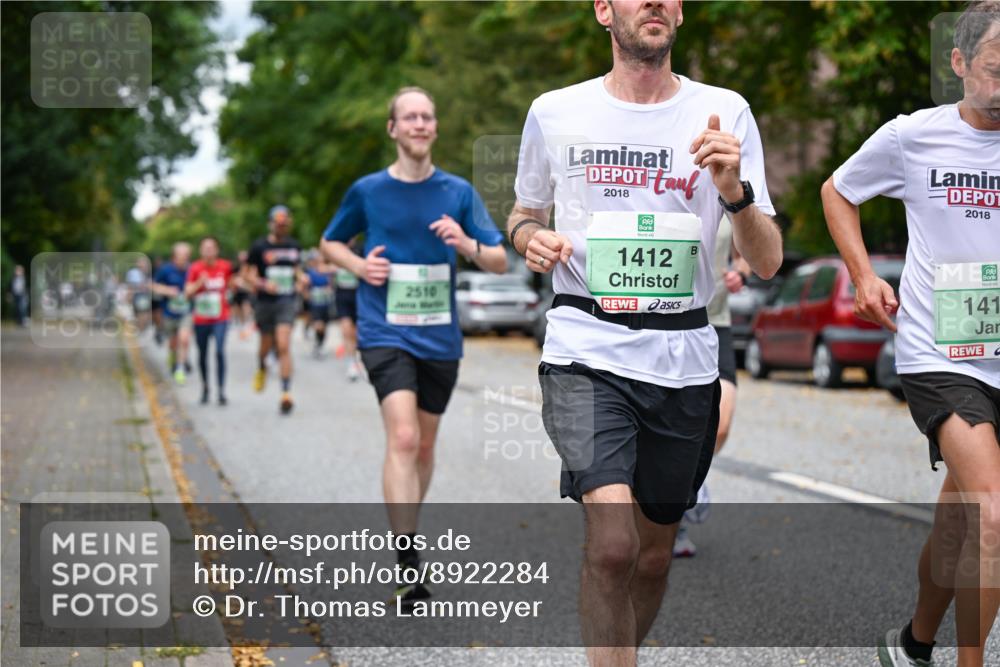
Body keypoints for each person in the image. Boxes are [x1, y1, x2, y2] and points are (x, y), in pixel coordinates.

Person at [508, 1, 782, 662]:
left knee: (654, 557)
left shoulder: (724, 111)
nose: (654, 1)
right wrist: (529, 238)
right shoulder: (554, 111)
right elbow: (523, 213)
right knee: (613, 545)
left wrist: (735, 191)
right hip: (584, 348)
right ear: (605, 10)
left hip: (684, 357)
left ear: (680, 13)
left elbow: (769, 259)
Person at [821, 4, 999, 666]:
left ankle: (914, 642)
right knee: (992, 513)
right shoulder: (912, 137)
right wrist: (864, 275)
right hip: (940, 351)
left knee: (961, 517)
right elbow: (837, 190)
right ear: (959, 63)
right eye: (995, 69)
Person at [321, 86, 508, 605]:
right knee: (403, 438)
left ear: (435, 128)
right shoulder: (368, 191)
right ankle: (407, 562)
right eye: (410, 117)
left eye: (427, 116)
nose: (420, 124)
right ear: (393, 129)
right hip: (384, 329)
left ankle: (407, 526)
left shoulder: (458, 192)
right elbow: (329, 242)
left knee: (424, 446)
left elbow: (498, 260)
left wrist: (465, 243)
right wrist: (359, 266)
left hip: (440, 336)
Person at [674, 215, 752, 558]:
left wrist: (740, 273)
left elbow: (744, 252)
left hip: (715, 321)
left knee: (719, 426)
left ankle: (694, 473)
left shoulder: (723, 197)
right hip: (666, 321)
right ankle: (673, 517)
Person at [245, 205, 306, 415]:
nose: (282, 228)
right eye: (278, 224)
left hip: (286, 300)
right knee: (265, 345)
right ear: (271, 224)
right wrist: (263, 284)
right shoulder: (259, 246)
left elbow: (297, 270)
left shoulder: (294, 246)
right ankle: (262, 367)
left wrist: (302, 279)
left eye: (285, 224)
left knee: (283, 345)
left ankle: (286, 393)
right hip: (265, 303)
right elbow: (247, 275)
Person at [186, 236, 235, 406]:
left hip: (220, 317)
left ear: (216, 250)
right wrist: (200, 282)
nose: (208, 251)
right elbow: (187, 293)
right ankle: (205, 387)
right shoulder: (195, 268)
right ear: (200, 251)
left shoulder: (225, 266)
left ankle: (221, 390)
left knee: (220, 351)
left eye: (211, 248)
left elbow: (232, 285)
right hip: (201, 319)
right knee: (203, 354)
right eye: (205, 248)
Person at [153, 243, 194, 385]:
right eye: (180, 255)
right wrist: (167, 291)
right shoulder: (165, 270)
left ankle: (180, 368)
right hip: (169, 312)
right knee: (173, 342)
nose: (183, 258)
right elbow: (153, 285)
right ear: (174, 256)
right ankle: (173, 356)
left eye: (186, 256)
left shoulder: (192, 269)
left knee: (184, 339)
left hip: (186, 312)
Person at [334, 237, 364, 381]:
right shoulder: (335, 247)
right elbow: (321, 265)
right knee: (346, 330)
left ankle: (358, 358)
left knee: (356, 332)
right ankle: (351, 362)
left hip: (358, 295)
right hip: (342, 296)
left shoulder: (361, 249)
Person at [303, 251, 335, 358]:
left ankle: (319, 345)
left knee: (324, 327)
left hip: (326, 303)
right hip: (315, 303)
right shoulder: (310, 272)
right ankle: (314, 339)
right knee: (318, 325)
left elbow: (331, 284)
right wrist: (307, 295)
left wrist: (329, 288)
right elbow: (305, 286)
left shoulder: (328, 272)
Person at [232, 250, 255, 340]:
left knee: (246, 306)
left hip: (247, 292)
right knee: (238, 309)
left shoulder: (251, 267)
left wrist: (245, 283)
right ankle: (241, 326)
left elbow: (253, 280)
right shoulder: (236, 268)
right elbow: (232, 279)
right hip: (238, 292)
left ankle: (246, 324)